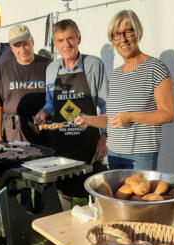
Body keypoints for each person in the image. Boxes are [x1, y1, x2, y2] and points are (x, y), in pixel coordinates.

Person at [75, 9, 174, 171]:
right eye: (116, 35)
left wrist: (131, 116)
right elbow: (113, 118)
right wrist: (88, 120)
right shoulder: (116, 75)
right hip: (114, 154)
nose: (123, 39)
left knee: (139, 197)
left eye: (128, 32)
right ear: (112, 40)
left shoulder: (155, 67)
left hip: (141, 156)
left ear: (138, 33)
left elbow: (168, 113)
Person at [34, 19, 108, 199]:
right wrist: (44, 112)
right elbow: (51, 103)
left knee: (95, 195)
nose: (66, 44)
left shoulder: (94, 65)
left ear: (78, 38)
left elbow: (107, 106)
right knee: (61, 196)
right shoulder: (51, 68)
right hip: (61, 146)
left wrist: (105, 136)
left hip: (89, 144)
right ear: (55, 44)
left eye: (70, 38)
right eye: (60, 40)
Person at [0, 24, 50, 144]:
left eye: (25, 43)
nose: (22, 49)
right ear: (11, 48)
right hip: (13, 133)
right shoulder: (3, 70)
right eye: (17, 45)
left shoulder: (48, 66)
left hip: (44, 131)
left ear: (32, 41)